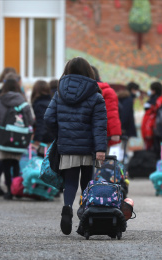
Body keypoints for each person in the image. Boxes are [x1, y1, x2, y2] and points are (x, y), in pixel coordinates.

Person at [44, 57, 107, 235]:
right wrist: (101, 149)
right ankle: (85, 216)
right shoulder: (95, 95)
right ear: (89, 71)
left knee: (70, 181)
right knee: (87, 182)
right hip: (88, 147)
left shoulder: (59, 93)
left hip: (67, 144)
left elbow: (48, 118)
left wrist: (59, 134)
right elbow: (99, 125)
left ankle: (66, 208)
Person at [0, 79, 34, 200]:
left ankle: (9, 190)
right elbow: (30, 120)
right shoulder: (23, 102)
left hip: (4, 138)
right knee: (15, 163)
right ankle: (16, 189)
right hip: (19, 138)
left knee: (5, 164)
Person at [91, 66, 121, 148]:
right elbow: (112, 113)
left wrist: (115, 133)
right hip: (102, 133)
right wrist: (115, 133)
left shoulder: (84, 90)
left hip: (96, 134)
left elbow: (111, 113)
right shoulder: (108, 91)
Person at [31, 80, 54, 152]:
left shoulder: (39, 104)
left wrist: (37, 139)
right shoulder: (52, 101)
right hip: (53, 137)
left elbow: (42, 123)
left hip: (45, 140)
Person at [141, 81, 162, 151]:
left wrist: (148, 133)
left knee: (151, 149)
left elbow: (150, 119)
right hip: (155, 130)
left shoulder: (153, 102)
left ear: (154, 90)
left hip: (151, 131)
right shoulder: (160, 100)